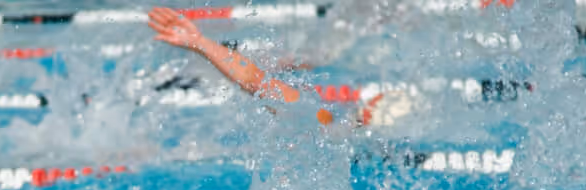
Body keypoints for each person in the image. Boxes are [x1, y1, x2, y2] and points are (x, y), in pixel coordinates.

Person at [146, 7, 412, 127]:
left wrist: (200, 42)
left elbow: (257, 81)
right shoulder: (330, 131)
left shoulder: (324, 127)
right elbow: (257, 82)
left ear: (364, 118)